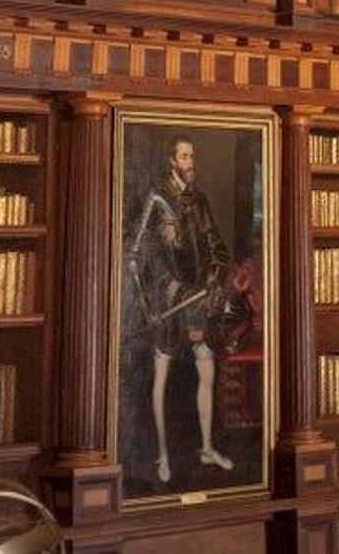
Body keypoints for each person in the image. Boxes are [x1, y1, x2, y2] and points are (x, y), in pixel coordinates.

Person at [127, 135, 233, 487]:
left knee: (206, 367)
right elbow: (141, 252)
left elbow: (216, 243)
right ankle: (162, 455)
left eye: (193, 156)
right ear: (172, 161)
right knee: (163, 376)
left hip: (198, 297)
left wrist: (215, 274)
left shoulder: (199, 199)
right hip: (170, 299)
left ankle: (205, 448)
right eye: (185, 157)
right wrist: (168, 285)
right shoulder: (157, 199)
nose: (191, 162)